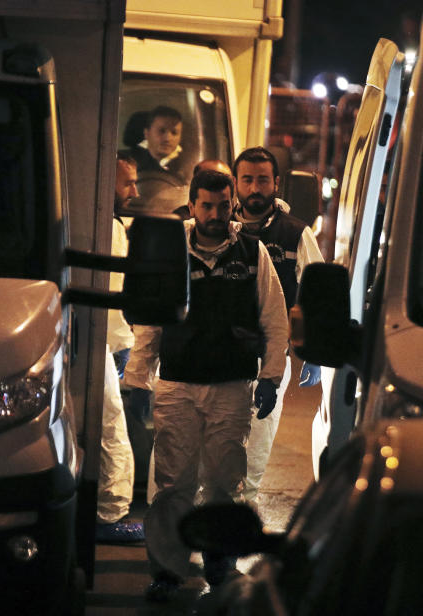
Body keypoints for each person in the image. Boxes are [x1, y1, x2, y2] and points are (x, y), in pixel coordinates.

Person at [124, 170, 288, 601]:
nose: (215, 214)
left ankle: (220, 563)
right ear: (193, 205)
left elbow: (274, 319)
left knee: (223, 483)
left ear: (232, 204)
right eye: (206, 206)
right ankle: (166, 570)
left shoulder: (252, 254)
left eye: (222, 205)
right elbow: (151, 323)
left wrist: (271, 376)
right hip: (177, 385)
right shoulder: (172, 251)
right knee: (172, 483)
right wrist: (137, 379)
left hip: (232, 387)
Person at [232, 146, 327, 506]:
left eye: (262, 180)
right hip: (219, 353)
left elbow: (316, 291)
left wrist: (313, 351)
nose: (255, 188)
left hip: (270, 356)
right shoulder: (221, 227)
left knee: (255, 448)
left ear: (276, 183)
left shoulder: (294, 234)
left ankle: (237, 524)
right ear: (236, 183)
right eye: (247, 180)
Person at [95, 153, 145, 544]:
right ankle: (107, 517)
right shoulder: (108, 227)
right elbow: (113, 294)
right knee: (111, 428)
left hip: (100, 341)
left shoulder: (105, 224)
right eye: (127, 182)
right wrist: (126, 346)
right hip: (100, 343)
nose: (134, 191)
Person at [129, 105, 186, 181]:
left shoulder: (187, 166)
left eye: (174, 133)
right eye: (161, 131)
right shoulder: (128, 162)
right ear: (146, 133)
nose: (167, 139)